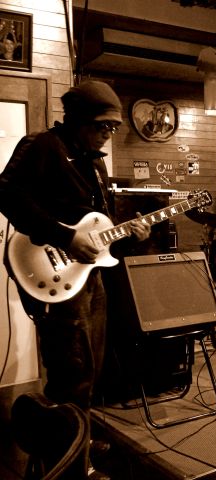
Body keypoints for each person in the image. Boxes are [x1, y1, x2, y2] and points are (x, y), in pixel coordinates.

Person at [0, 80, 151, 479]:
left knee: (90, 369)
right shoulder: (43, 146)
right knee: (72, 371)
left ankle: (75, 443)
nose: (109, 132)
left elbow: (97, 227)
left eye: (113, 126)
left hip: (87, 276)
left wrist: (130, 233)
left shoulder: (96, 163)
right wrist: (65, 238)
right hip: (54, 274)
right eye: (103, 125)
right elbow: (6, 194)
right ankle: (64, 463)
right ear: (78, 119)